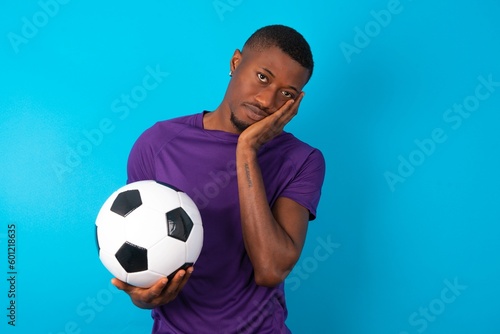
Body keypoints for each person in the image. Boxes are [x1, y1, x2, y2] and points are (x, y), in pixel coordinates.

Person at [112, 24, 326, 333]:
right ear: (236, 63)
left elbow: (271, 268)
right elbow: (142, 265)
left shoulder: (302, 160)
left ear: (297, 101)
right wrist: (144, 297)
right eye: (262, 77)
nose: (267, 100)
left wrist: (247, 151)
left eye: (286, 94)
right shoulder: (158, 144)